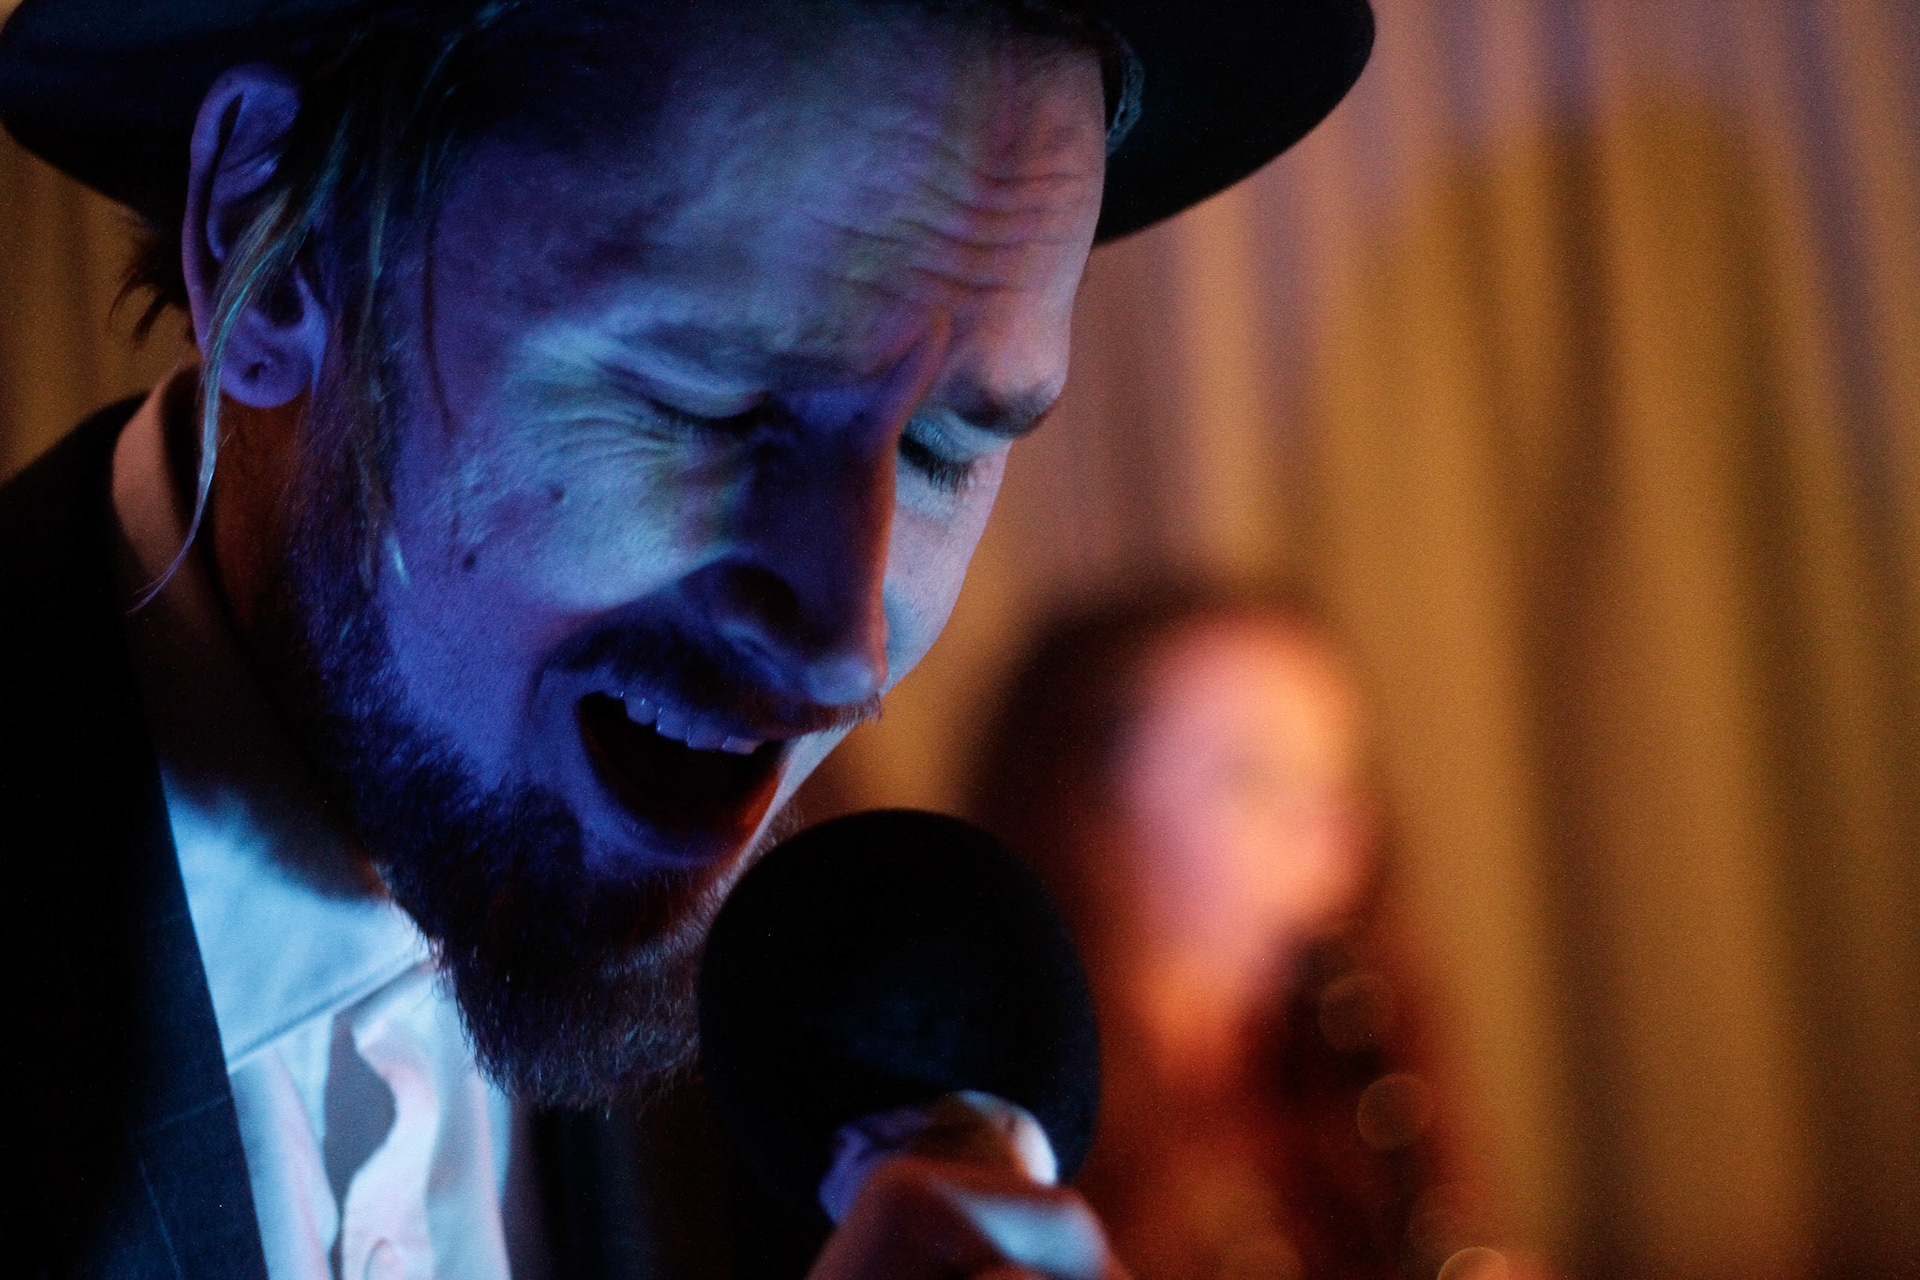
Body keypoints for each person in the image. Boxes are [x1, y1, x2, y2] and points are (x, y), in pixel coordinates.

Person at [0, 1, 1375, 1276]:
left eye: (945, 449)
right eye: (709, 401)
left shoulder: (800, 1082)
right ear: (274, 248)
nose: (844, 645)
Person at [971, 586, 1500, 1280]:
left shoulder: (1332, 1082)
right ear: (1087, 818)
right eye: (1253, 778)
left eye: (1337, 779)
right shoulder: (987, 1131)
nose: (1327, 832)